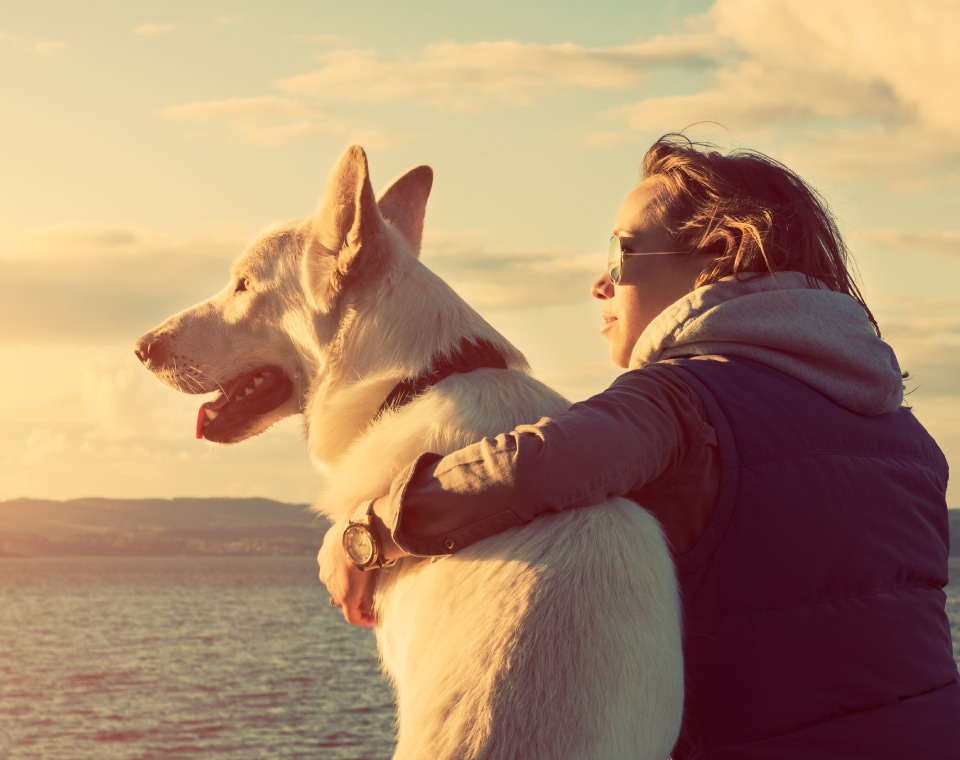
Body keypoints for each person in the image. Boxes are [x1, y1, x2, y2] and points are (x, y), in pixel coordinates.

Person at [318, 133, 959, 758]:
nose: (601, 283)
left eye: (622, 253)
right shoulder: (909, 439)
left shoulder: (680, 401)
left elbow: (533, 465)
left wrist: (370, 530)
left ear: (719, 254)